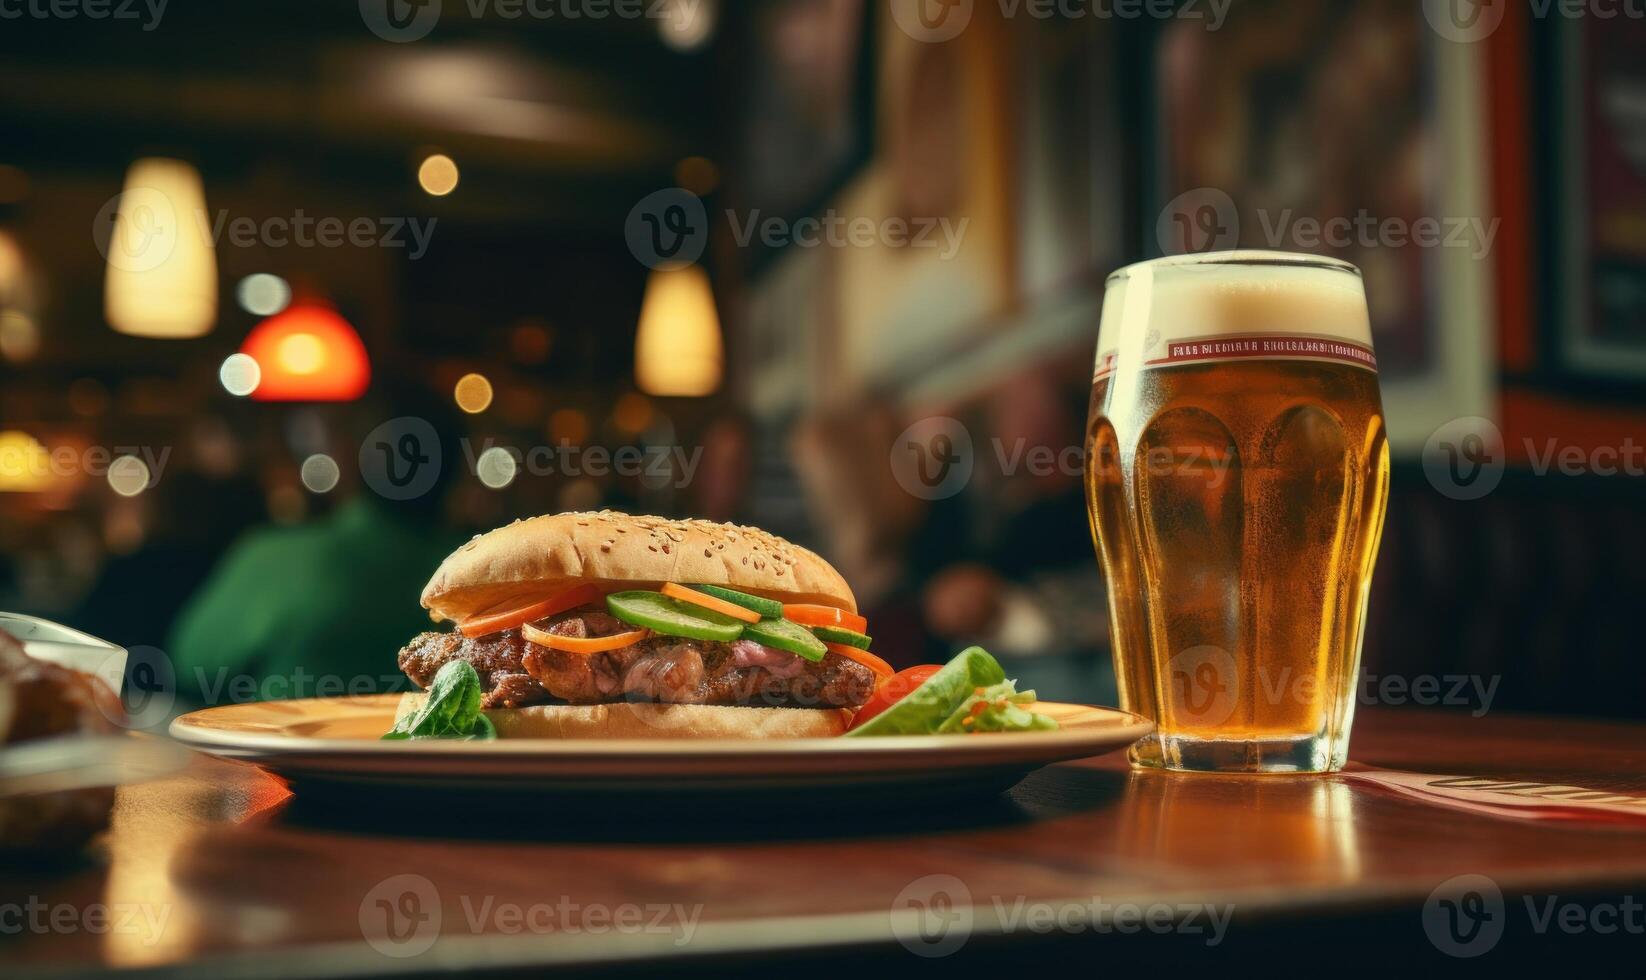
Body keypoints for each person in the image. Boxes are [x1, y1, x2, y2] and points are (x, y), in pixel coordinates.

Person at [167, 381, 465, 705]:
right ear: (455, 469)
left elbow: (191, 661)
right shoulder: (479, 577)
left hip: (280, 752)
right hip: (441, 753)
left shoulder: (274, 559)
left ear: (349, 457)